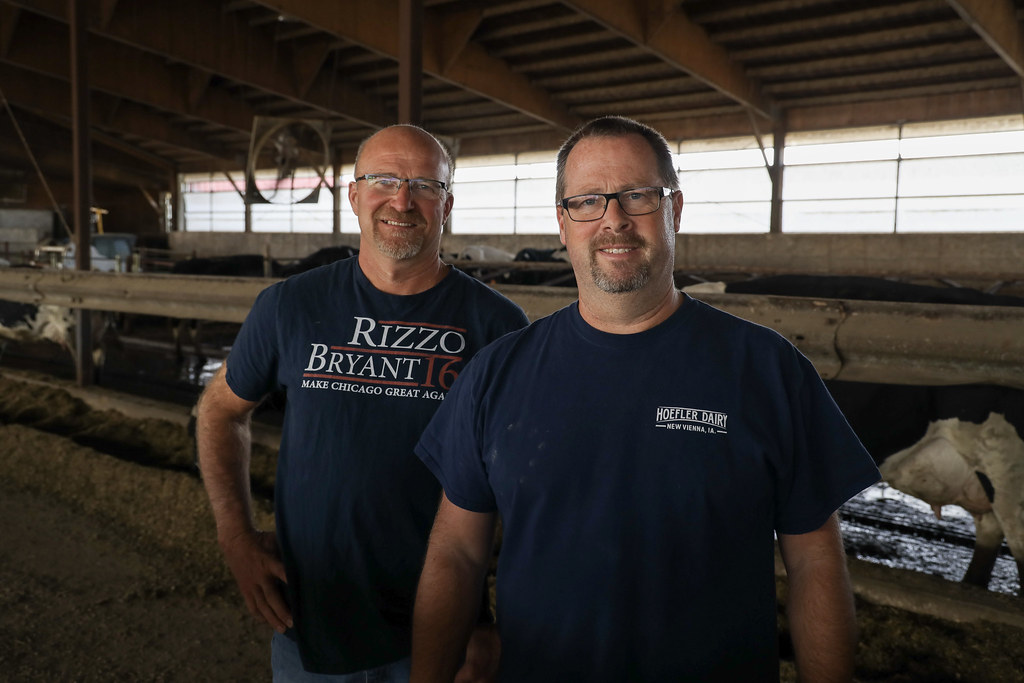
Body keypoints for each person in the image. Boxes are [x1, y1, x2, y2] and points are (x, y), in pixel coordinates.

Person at [410, 116, 881, 682]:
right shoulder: (497, 373)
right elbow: (457, 554)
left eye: (637, 195)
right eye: (587, 201)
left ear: (674, 210)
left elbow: (814, 562)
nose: (614, 219)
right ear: (562, 222)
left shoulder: (766, 368)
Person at [196, 124, 528, 682]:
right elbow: (218, 411)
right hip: (313, 624)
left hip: (443, 631)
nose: (402, 200)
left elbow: (523, 487)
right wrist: (236, 537)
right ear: (354, 195)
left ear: (446, 205)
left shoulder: (496, 325)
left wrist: (495, 619)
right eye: (384, 181)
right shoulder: (290, 306)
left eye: (425, 185)